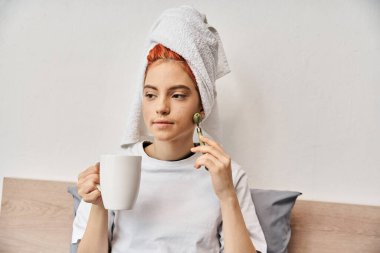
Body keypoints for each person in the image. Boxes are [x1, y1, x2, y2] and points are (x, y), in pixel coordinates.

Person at [72, 6, 267, 253]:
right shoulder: (115, 170)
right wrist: (99, 205)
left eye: (177, 95)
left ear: (202, 106)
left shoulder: (227, 174)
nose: (161, 108)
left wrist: (227, 195)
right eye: (151, 95)